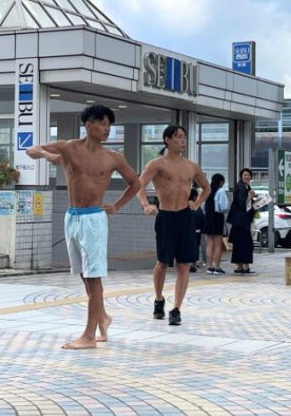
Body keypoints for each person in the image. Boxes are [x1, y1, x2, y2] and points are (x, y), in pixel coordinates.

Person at [27, 105, 146, 348]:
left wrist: (117, 206)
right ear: (88, 124)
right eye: (102, 123)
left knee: (94, 277)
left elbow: (135, 183)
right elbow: (32, 150)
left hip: (94, 218)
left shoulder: (113, 157)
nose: (106, 129)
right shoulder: (68, 147)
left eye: (109, 125)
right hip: (72, 216)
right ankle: (102, 317)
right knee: (83, 274)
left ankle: (89, 336)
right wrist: (41, 153)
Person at [139, 125, 210, 325]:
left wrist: (196, 204)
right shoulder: (157, 164)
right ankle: (159, 299)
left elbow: (206, 187)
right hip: (166, 216)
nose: (183, 140)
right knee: (162, 262)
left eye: (184, 137)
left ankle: (177, 308)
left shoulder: (191, 166)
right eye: (179, 137)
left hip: (185, 216)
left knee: (184, 264)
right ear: (167, 140)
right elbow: (139, 185)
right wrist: (146, 205)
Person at [228, 167, 256, 274]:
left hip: (241, 220)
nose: (247, 177)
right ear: (241, 176)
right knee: (245, 242)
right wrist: (250, 196)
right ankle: (244, 266)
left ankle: (240, 266)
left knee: (239, 242)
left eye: (248, 175)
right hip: (241, 221)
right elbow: (242, 203)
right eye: (245, 175)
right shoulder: (240, 187)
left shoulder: (246, 187)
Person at [203, 173, 228, 274]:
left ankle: (209, 267)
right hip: (217, 218)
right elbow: (223, 206)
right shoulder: (221, 191)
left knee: (209, 244)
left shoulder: (208, 190)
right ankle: (217, 267)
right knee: (218, 244)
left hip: (208, 217)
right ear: (221, 182)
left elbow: (203, 206)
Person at [190, 187, 204, 273]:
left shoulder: (184, 204)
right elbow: (201, 218)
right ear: (195, 197)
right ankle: (193, 265)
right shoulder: (195, 206)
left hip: (186, 231)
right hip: (195, 230)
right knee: (194, 248)